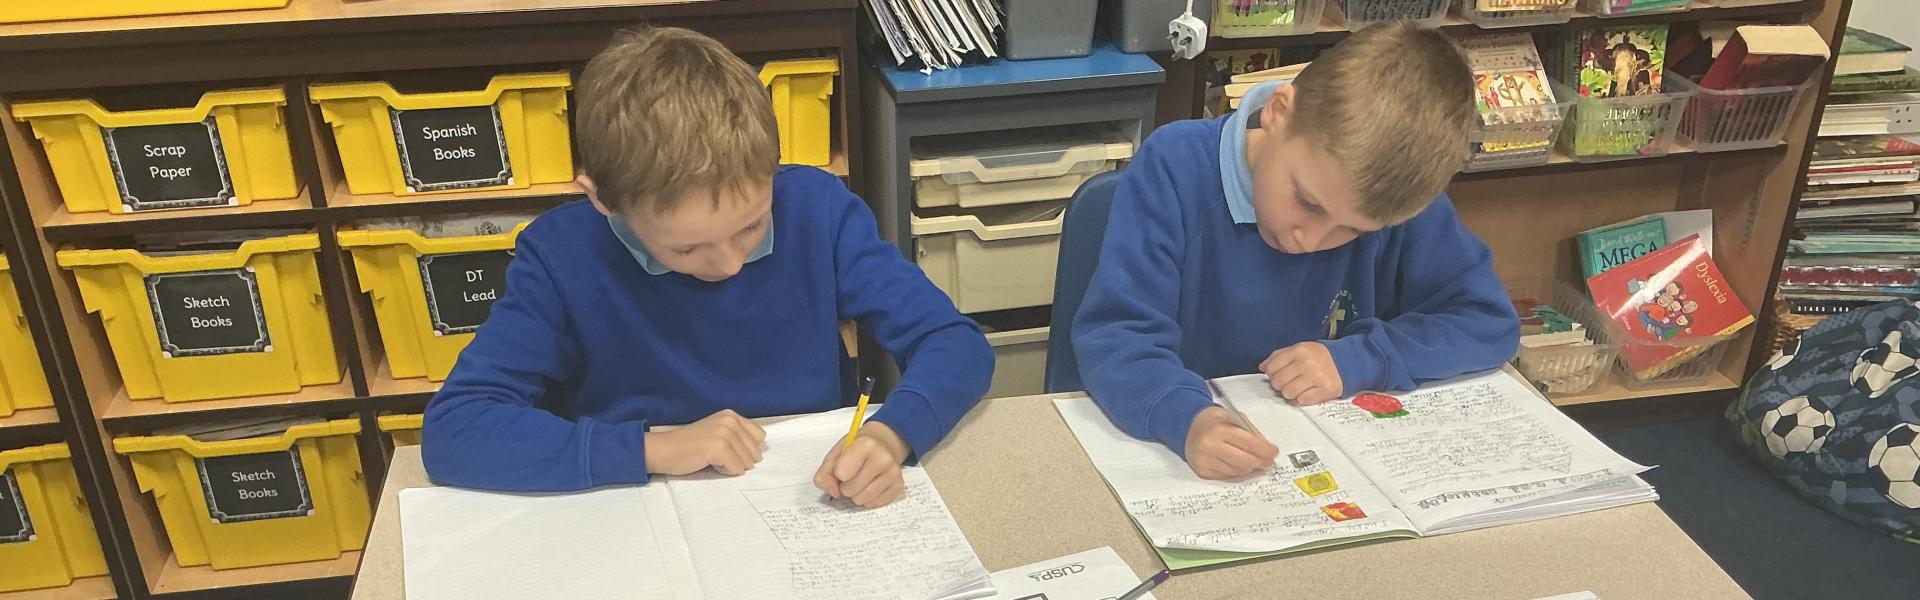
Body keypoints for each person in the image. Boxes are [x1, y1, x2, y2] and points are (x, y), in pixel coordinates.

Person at [422, 26, 994, 508]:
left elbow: (954, 342)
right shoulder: (559, 255)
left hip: (803, 491)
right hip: (635, 506)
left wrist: (892, 434)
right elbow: (457, 427)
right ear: (603, 200)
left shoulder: (817, 211)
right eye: (685, 249)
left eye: (751, 227)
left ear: (772, 167)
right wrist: (652, 449)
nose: (728, 265)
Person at [1073, 22, 1520, 480]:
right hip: (1189, 449)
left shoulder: (1394, 202)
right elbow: (1117, 335)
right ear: (1278, 112)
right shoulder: (1175, 167)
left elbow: (1486, 321)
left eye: (1354, 230)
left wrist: (1361, 359)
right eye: (1307, 202)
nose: (1311, 239)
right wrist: (1184, 417)